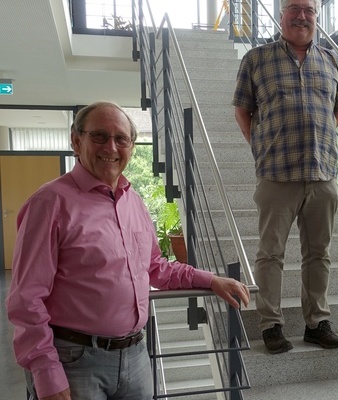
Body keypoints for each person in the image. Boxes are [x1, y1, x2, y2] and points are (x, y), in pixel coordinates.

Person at [6, 101, 250, 400]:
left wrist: (210, 280)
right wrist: (46, 373)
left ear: (131, 147)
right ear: (76, 141)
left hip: (135, 357)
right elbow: (26, 299)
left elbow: (155, 267)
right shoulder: (49, 203)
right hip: (74, 362)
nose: (111, 147)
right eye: (99, 136)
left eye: (121, 138)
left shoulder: (132, 201)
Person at [232, 0, 338, 354]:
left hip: (322, 174)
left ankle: (317, 323)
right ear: (282, 14)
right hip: (276, 174)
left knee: (319, 253)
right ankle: (271, 324)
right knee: (270, 254)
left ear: (317, 16)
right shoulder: (255, 59)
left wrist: (319, 140)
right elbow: (243, 111)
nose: (302, 15)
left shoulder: (334, 61)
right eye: (294, 8)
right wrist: (261, 146)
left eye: (309, 9)